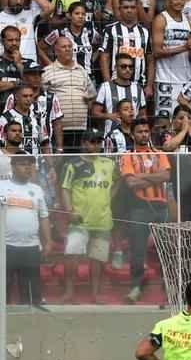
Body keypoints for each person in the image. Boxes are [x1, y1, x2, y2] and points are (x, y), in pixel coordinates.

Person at [119, 119, 172, 303]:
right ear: (132, 134)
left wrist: (141, 176)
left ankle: (169, 287)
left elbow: (167, 175)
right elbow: (130, 182)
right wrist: (154, 178)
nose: (143, 134)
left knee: (167, 250)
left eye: (146, 131)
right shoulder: (127, 156)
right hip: (139, 206)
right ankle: (136, 287)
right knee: (137, 250)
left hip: (161, 206)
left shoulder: (159, 154)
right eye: (140, 131)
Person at [60, 131, 117, 302]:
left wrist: (109, 198)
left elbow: (119, 180)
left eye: (99, 142)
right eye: (92, 142)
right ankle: (69, 293)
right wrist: (70, 210)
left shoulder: (109, 164)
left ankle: (96, 294)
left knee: (97, 259)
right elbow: (65, 188)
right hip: (79, 220)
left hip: (103, 219)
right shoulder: (72, 164)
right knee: (72, 256)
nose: (96, 145)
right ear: (84, 143)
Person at [2, 153, 49, 310]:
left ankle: (30, 323)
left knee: (30, 292)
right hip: (5, 246)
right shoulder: (1, 186)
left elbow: (44, 217)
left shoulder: (37, 190)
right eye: (23, 164)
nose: (28, 168)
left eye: (30, 164)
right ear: (13, 167)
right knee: (3, 289)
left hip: (31, 247)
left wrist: (47, 241)